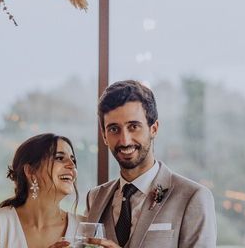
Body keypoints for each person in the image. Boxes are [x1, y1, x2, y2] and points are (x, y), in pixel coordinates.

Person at [85, 80, 217, 248]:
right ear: (104, 136)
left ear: (153, 128)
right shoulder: (95, 198)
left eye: (133, 126)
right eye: (113, 129)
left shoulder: (193, 197)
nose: (124, 140)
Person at [0, 133, 85, 248]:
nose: (72, 165)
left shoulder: (84, 228)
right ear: (30, 171)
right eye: (59, 158)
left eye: (73, 160)